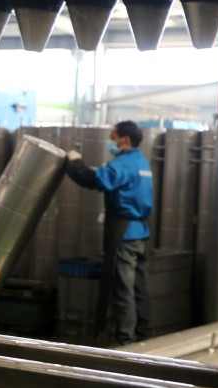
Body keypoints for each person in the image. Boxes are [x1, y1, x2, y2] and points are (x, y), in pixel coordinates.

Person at [64, 121, 153, 345]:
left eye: (113, 137)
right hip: (140, 232)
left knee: (122, 286)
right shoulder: (141, 162)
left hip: (124, 232)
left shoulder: (123, 163)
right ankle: (144, 334)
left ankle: (127, 340)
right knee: (137, 286)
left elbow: (94, 180)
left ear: (125, 140)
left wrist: (74, 163)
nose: (110, 142)